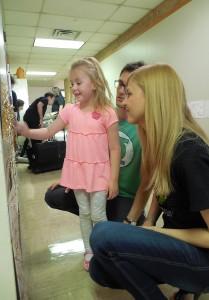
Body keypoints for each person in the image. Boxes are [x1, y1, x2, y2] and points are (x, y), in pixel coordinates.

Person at [89, 64, 209, 300]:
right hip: (183, 249)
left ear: (153, 98)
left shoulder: (190, 153)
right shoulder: (163, 145)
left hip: (203, 261)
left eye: (130, 94)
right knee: (99, 268)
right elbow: (162, 189)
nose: (123, 102)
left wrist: (157, 232)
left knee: (102, 234)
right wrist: (150, 221)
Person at [16, 57, 121, 271]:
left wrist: (113, 179)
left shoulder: (108, 112)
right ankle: (89, 250)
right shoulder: (70, 111)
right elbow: (47, 131)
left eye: (78, 82)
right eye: (71, 83)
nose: (73, 87)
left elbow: (114, 148)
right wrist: (26, 132)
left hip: (100, 172)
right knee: (84, 212)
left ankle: (103, 249)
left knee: (99, 214)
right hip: (78, 173)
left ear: (95, 82)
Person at [45, 62, 148, 224]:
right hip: (96, 182)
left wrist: (132, 217)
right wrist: (72, 178)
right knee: (53, 195)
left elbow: (147, 181)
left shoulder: (143, 127)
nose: (121, 90)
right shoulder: (103, 113)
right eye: (120, 84)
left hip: (124, 195)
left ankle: (113, 219)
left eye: (128, 86)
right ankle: (93, 216)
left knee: (122, 233)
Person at [20, 92, 55, 157]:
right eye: (53, 100)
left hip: (28, 117)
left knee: (30, 136)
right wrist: (41, 119)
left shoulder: (42, 99)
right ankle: (37, 155)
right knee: (36, 137)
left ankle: (25, 154)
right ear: (50, 97)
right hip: (32, 118)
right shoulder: (45, 99)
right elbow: (39, 105)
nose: (53, 102)